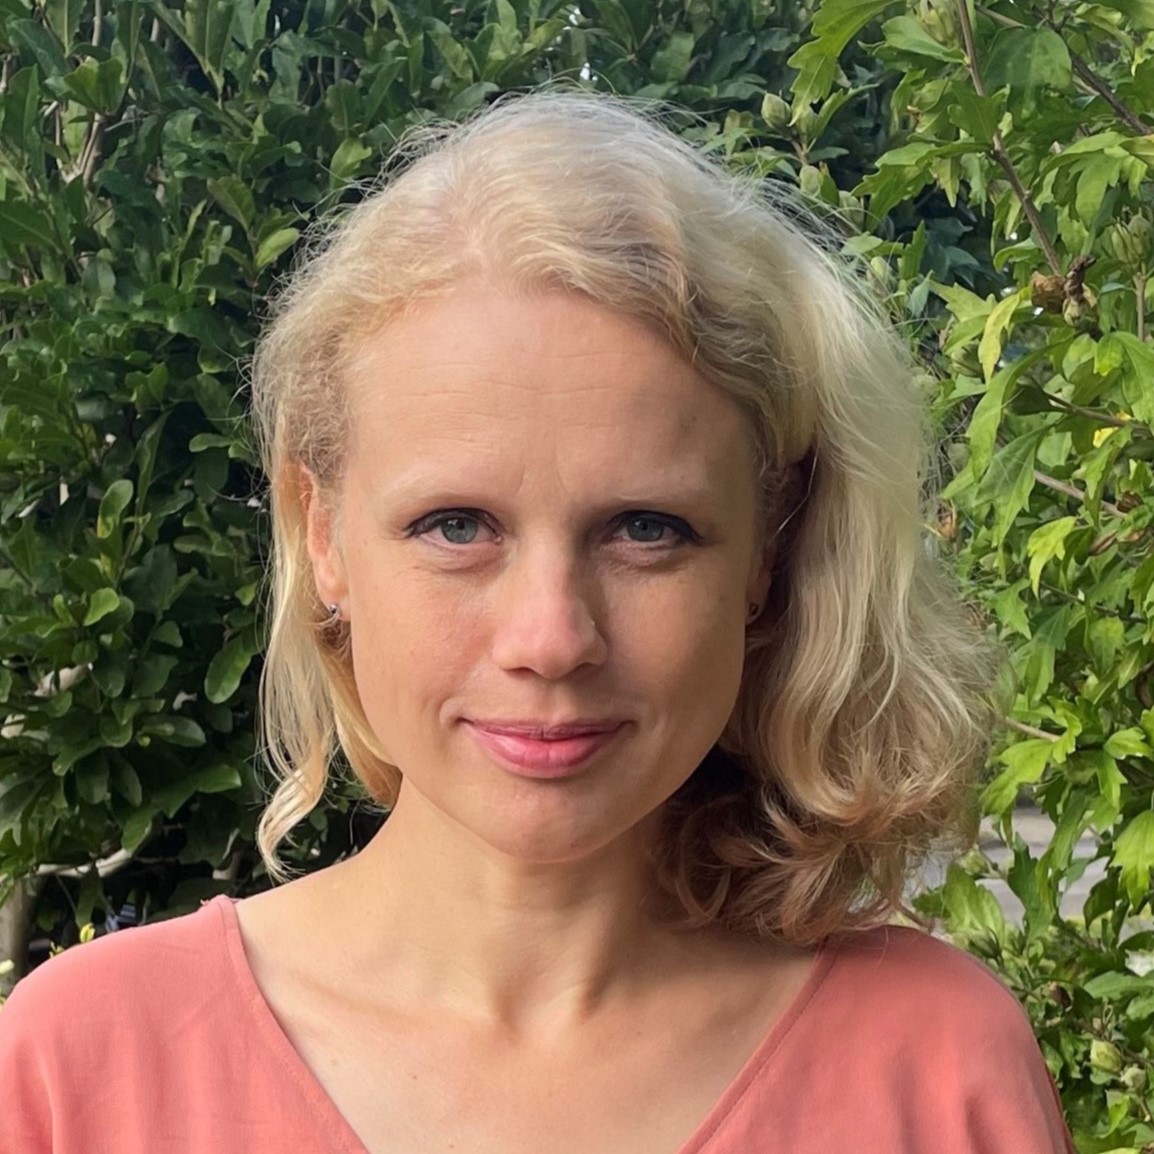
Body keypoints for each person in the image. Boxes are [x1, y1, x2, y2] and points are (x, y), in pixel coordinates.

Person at [0, 90, 1075, 1153]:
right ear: (320, 531)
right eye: (456, 525)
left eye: (646, 529)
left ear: (769, 548)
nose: (552, 638)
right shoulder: (77, 1068)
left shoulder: (939, 1070)